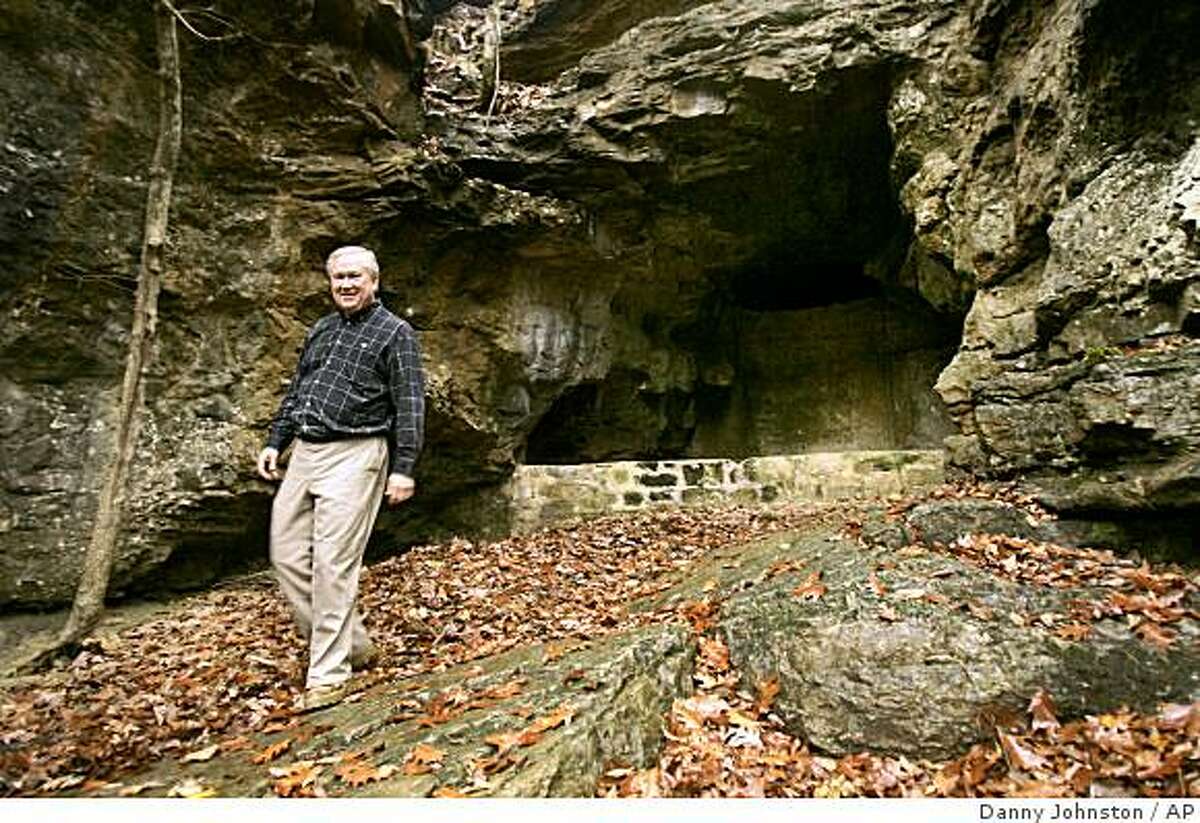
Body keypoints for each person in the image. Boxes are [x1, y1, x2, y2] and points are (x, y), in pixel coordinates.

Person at [256, 245, 426, 711]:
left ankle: (329, 674)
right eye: (338, 278)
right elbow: (299, 391)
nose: (346, 285)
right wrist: (277, 440)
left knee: (334, 564)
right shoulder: (323, 329)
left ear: (373, 280)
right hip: (307, 451)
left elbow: (410, 404)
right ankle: (351, 643)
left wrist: (404, 468)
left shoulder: (396, 333)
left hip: (358, 454)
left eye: (354, 277)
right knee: (286, 554)